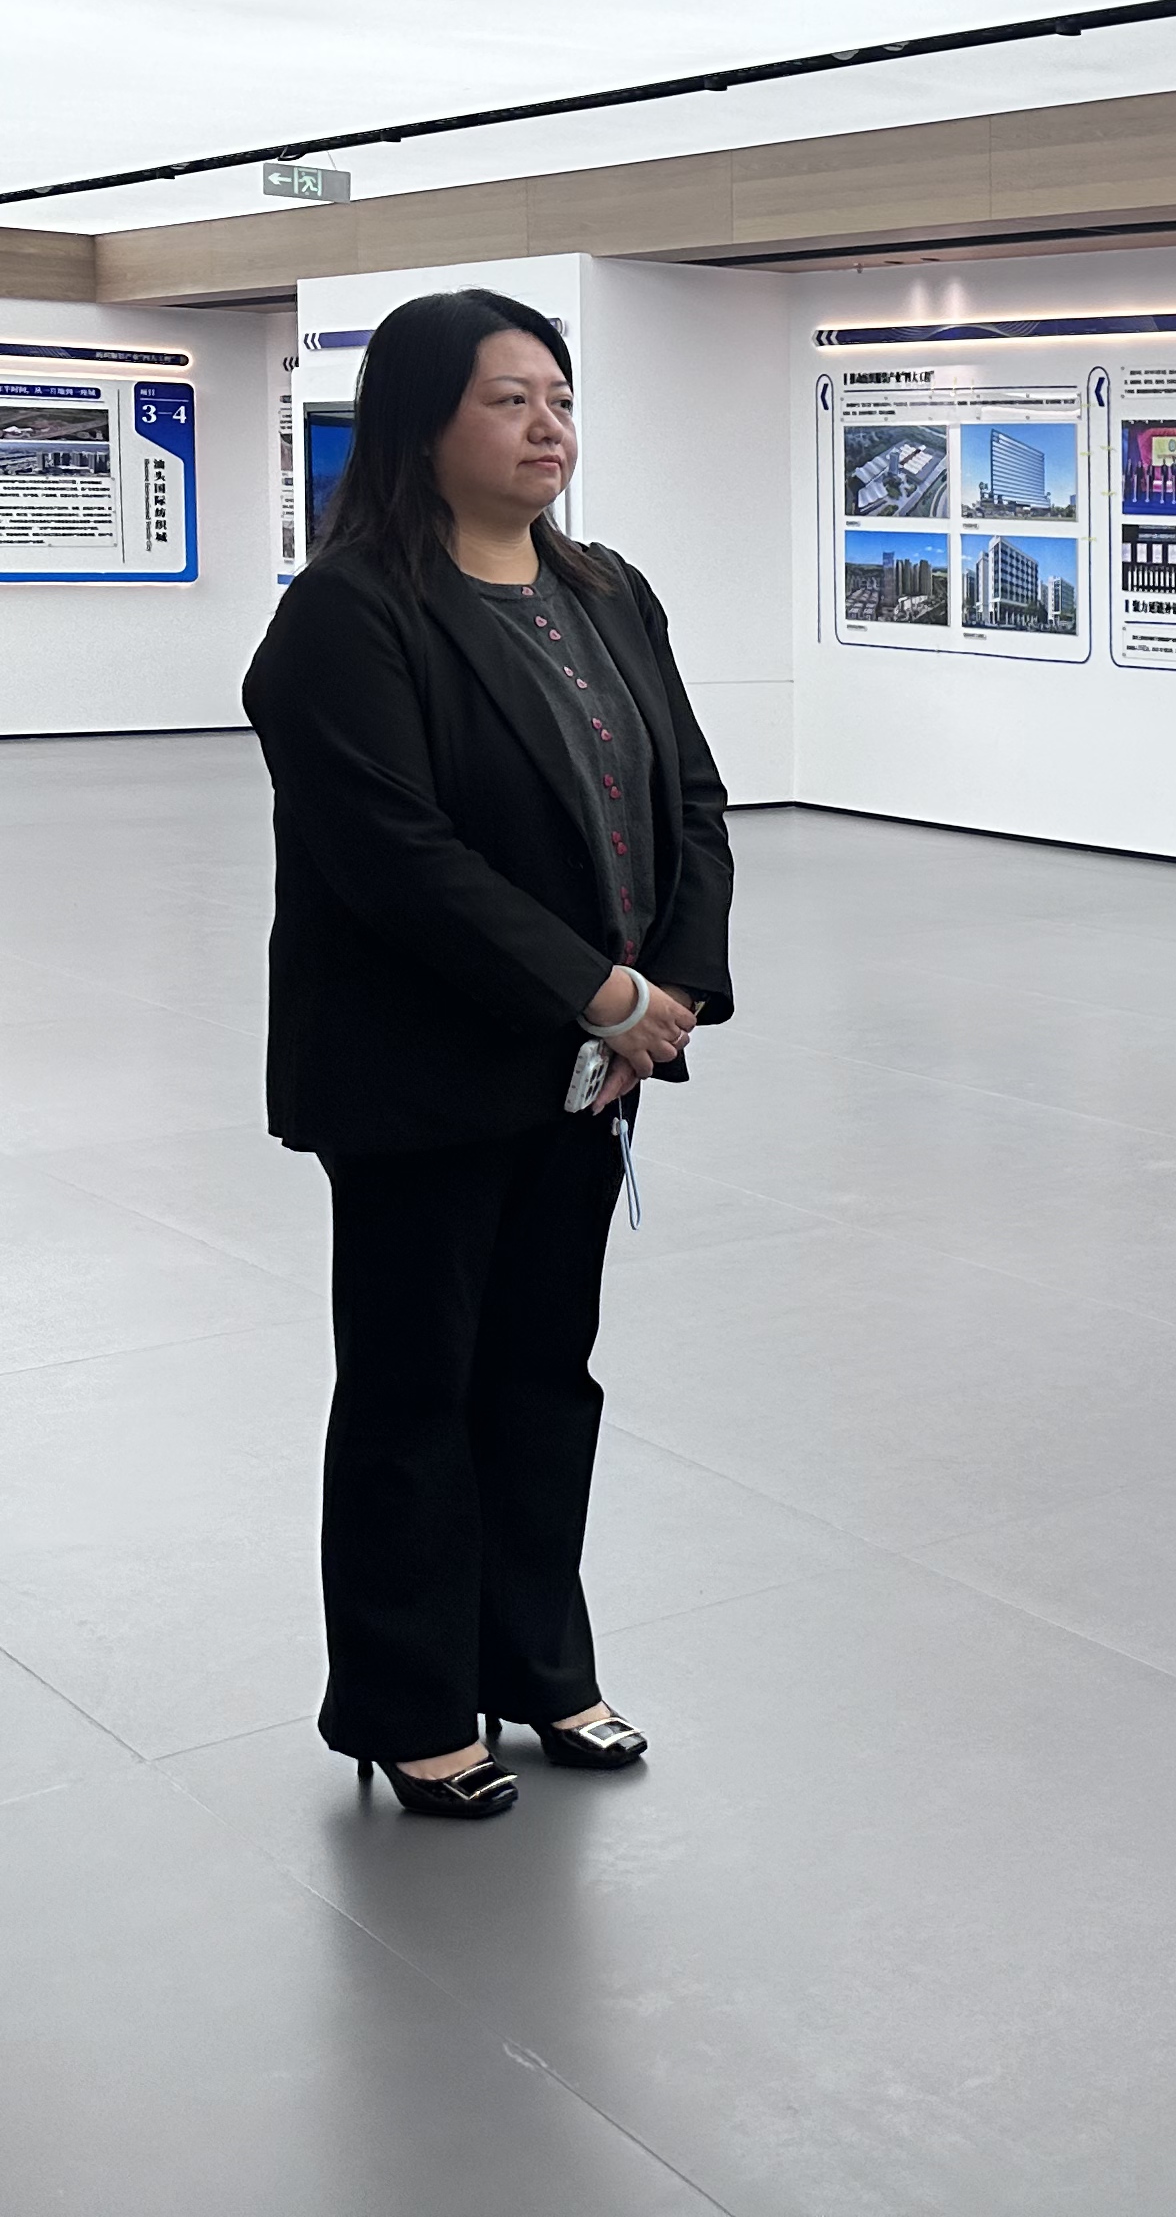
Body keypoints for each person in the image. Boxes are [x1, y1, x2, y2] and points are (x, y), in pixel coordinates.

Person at [241, 288, 737, 1822]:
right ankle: (408, 1704)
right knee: (416, 1391)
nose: (548, 428)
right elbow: (398, 857)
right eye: (509, 400)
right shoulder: (348, 615)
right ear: (420, 422)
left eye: (561, 398)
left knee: (541, 1378)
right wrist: (599, 993)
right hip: (421, 1078)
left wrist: (668, 994)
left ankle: (538, 1664)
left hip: (587, 1071)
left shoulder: (608, 590)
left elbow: (690, 797)